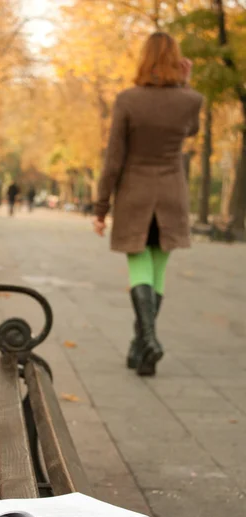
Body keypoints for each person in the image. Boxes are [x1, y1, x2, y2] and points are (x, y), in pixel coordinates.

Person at [93, 32, 203, 377]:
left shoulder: (128, 100)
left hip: (135, 194)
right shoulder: (191, 100)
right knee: (158, 270)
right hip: (172, 193)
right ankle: (142, 349)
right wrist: (185, 85)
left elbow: (113, 160)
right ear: (176, 60)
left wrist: (101, 207)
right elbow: (191, 132)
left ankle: (149, 341)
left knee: (139, 265)